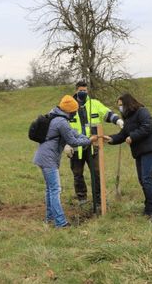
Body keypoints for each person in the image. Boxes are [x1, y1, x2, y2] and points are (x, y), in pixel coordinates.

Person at [33, 95, 98, 228]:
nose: (75, 112)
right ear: (69, 110)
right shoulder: (60, 122)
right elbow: (72, 141)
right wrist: (89, 141)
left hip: (45, 157)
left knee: (50, 189)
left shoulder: (57, 117)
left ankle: (50, 219)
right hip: (48, 159)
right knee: (55, 190)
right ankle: (60, 223)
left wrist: (86, 137)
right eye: (74, 110)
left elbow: (73, 134)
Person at [103, 94, 152, 223]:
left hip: (148, 150)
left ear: (128, 103)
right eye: (118, 106)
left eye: (121, 105)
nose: (120, 108)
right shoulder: (128, 118)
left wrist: (133, 137)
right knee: (142, 180)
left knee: (147, 179)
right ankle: (148, 208)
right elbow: (122, 135)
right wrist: (111, 139)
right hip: (138, 152)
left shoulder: (141, 112)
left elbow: (148, 126)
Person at [64, 81, 123, 207]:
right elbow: (61, 126)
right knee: (77, 174)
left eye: (85, 91)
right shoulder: (69, 106)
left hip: (93, 146)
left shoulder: (95, 104)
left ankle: (100, 199)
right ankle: (82, 199)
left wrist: (118, 121)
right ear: (76, 91)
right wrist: (65, 144)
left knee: (97, 173)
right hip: (76, 147)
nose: (83, 93)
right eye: (80, 90)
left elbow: (108, 114)